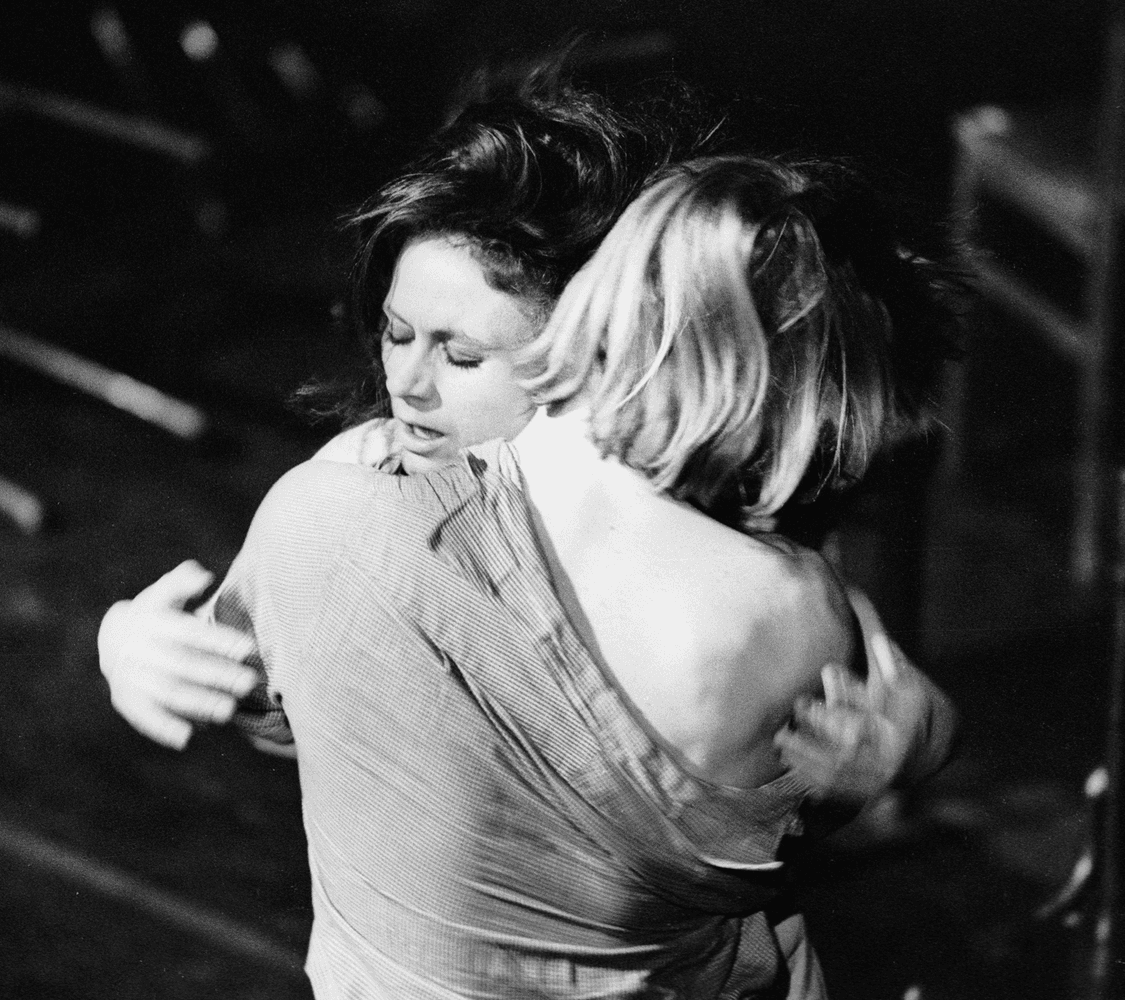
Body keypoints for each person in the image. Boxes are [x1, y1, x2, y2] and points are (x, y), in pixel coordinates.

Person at [191, 153, 959, 996]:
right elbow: (807, 813)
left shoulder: (331, 502)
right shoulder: (785, 612)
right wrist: (913, 739)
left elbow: (278, 712)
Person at [99, 75, 953, 807]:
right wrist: (130, 645)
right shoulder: (362, 487)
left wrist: (908, 742)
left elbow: (888, 694)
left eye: (463, 355)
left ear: (593, 351)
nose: (407, 383)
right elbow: (264, 693)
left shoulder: (725, 551)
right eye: (397, 334)